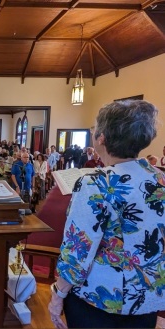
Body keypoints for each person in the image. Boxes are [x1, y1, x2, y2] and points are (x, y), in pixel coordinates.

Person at [48, 100, 165, 329]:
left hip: (99, 299)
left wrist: (58, 294)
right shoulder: (160, 180)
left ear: (101, 137)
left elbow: (78, 249)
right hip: (146, 297)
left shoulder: (95, 183)